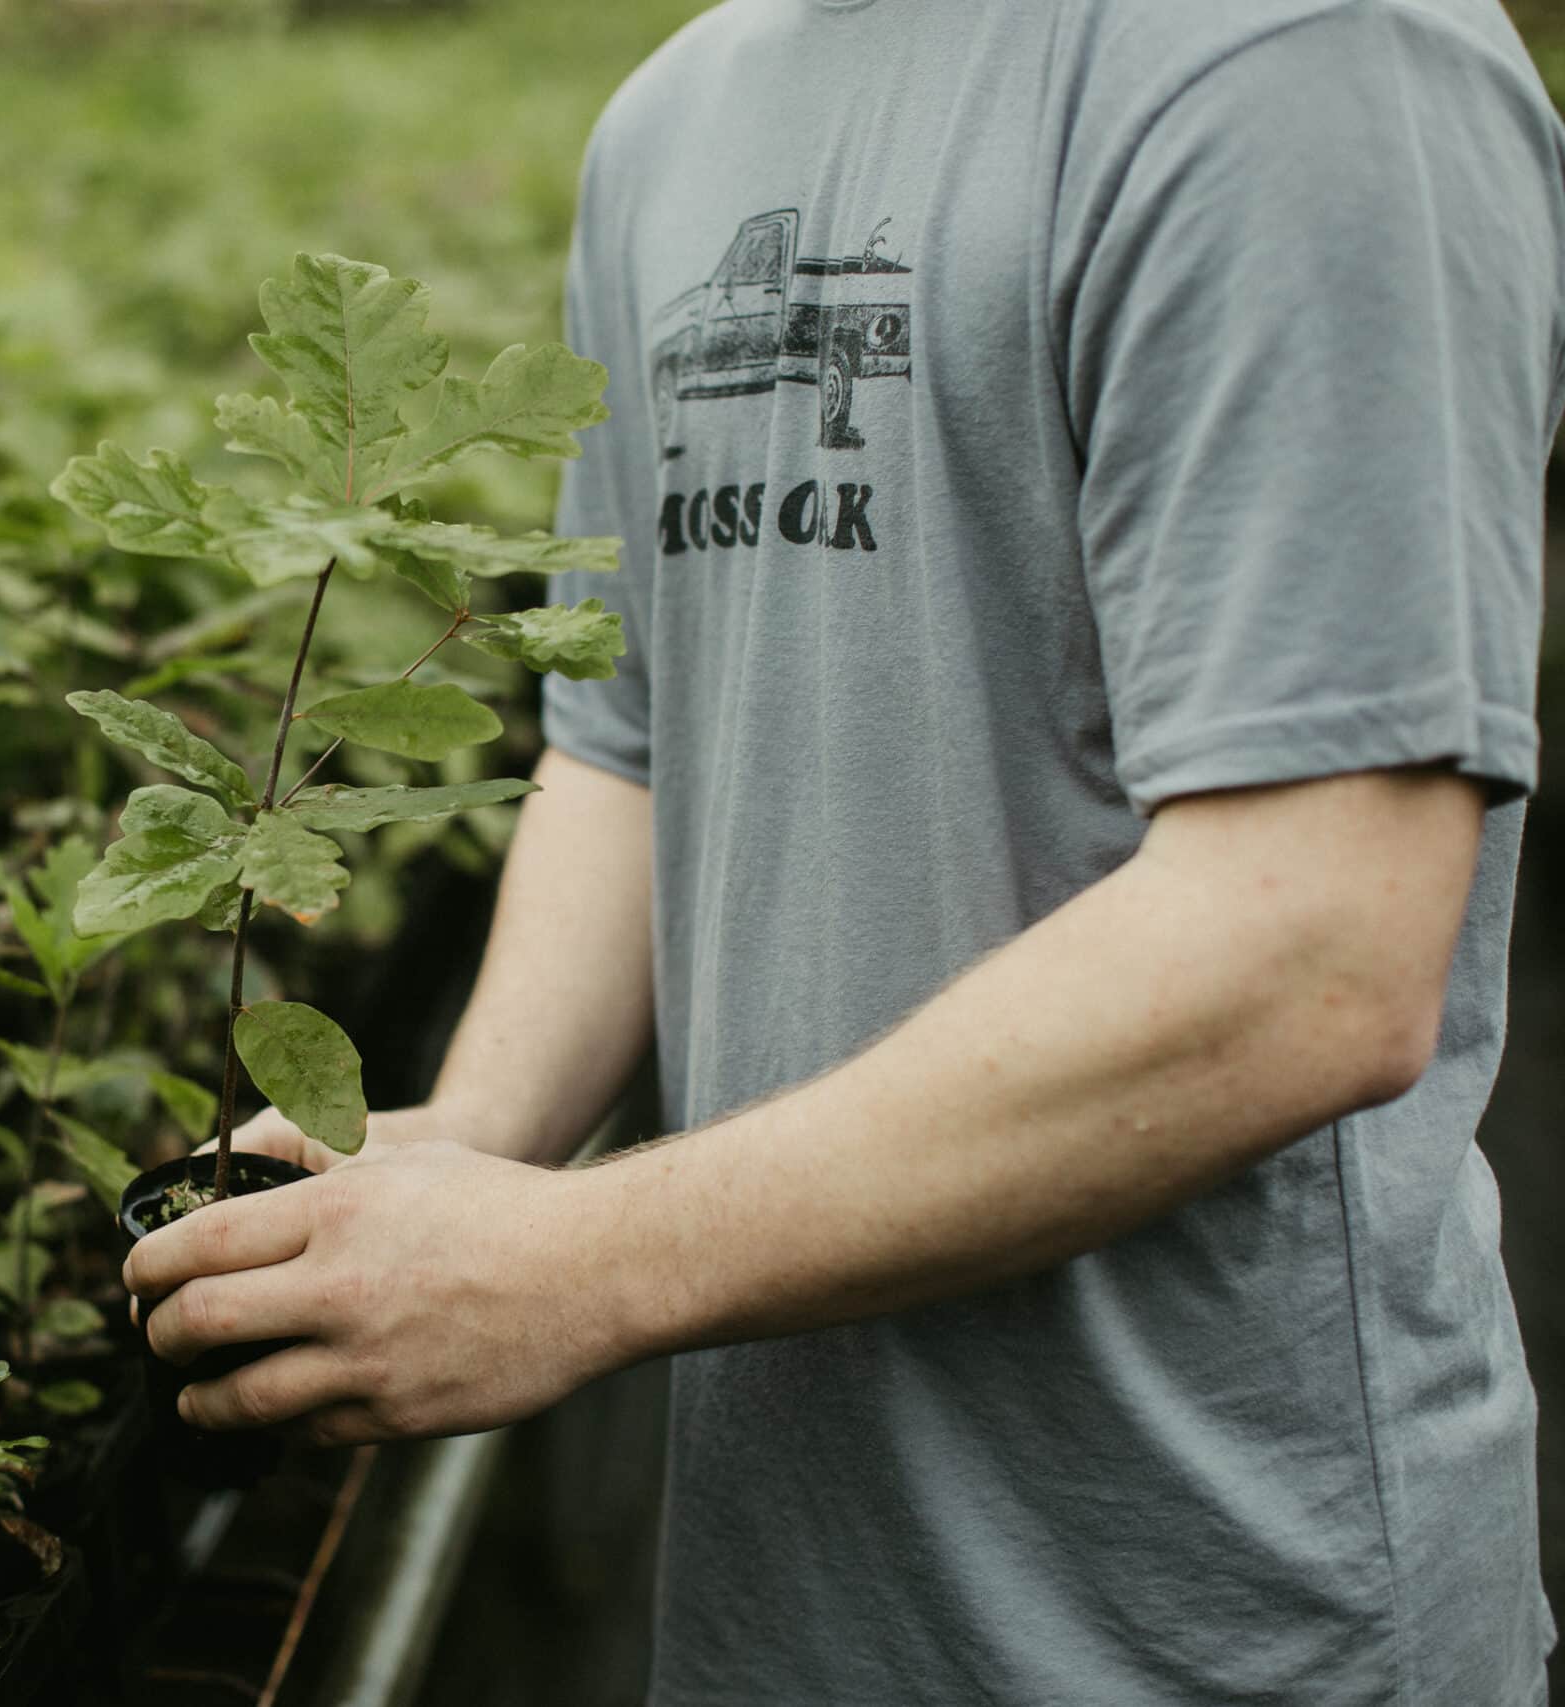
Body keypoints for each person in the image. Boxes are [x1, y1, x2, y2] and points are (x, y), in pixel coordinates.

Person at [120, 0, 1565, 1700]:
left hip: (1205, 1614)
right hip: (779, 1593)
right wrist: (473, 1140)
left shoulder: (1298, 57)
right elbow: (635, 741)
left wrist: (578, 1259)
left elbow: (1314, 951)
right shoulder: (681, 110)